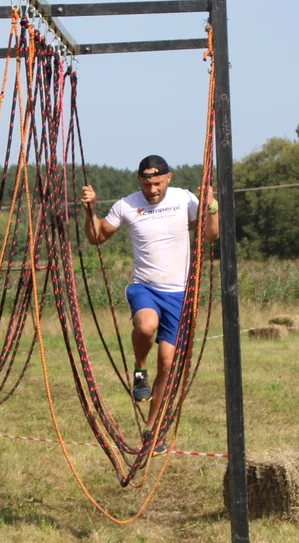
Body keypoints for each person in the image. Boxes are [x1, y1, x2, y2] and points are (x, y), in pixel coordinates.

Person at [81, 155, 219, 432]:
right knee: (145, 327)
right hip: (145, 287)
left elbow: (211, 236)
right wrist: (91, 211)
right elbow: (97, 238)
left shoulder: (185, 199)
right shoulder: (126, 205)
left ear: (168, 178)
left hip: (179, 293)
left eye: (157, 183)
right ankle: (140, 368)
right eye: (146, 184)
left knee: (167, 364)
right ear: (139, 182)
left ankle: (153, 430)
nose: (152, 190)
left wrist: (211, 206)